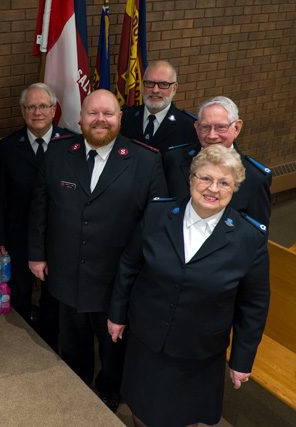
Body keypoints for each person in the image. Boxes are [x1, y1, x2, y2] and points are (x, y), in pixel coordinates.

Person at [108, 144, 270, 427]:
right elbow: (129, 266)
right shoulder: (158, 214)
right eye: (205, 178)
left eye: (224, 182)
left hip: (200, 351)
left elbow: (253, 304)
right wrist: (117, 315)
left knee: (185, 417)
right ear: (191, 178)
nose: (213, 188)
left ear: (235, 188)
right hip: (148, 339)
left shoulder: (249, 239)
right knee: (142, 410)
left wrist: (242, 359)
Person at [27, 89, 168, 411]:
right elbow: (40, 206)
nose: (100, 120)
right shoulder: (59, 152)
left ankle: (109, 389)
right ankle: (76, 382)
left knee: (112, 344)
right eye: (93, 113)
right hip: (66, 271)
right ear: (80, 118)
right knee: (73, 338)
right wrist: (37, 253)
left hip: (115, 277)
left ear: (120, 118)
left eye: (108, 114)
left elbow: (155, 224)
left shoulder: (145, 160)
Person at [0, 82, 72, 351]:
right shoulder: (9, 146)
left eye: (43, 106)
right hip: (19, 232)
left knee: (53, 292)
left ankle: (48, 337)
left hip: (59, 234)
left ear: (53, 109)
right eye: (31, 107)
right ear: (23, 111)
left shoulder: (71, 143)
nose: (37, 112)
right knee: (20, 288)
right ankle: (22, 338)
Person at [163, 96, 272, 226]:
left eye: (221, 127)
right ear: (197, 128)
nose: (212, 135)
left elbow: (255, 238)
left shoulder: (255, 177)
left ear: (236, 128)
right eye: (205, 127)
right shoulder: (174, 159)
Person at [120, 60, 198, 152]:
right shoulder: (124, 118)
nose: (155, 90)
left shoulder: (189, 126)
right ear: (142, 86)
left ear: (174, 88)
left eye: (163, 84)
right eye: (149, 83)